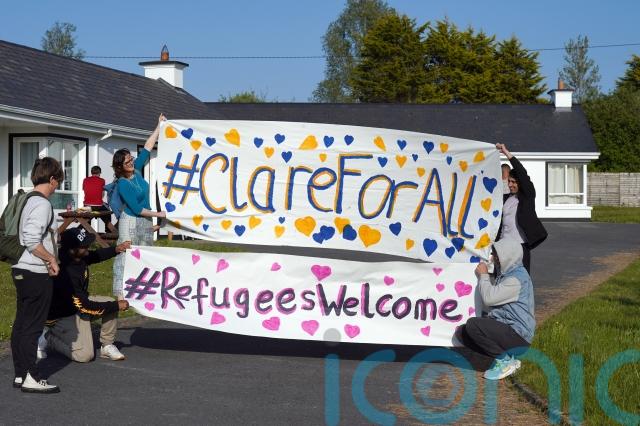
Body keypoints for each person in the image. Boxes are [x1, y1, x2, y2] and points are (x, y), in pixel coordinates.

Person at [11, 157, 63, 393]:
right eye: (58, 182)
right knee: (32, 327)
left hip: (20, 267)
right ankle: (32, 376)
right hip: (35, 271)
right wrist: (51, 259)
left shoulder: (25, 200)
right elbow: (32, 240)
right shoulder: (42, 204)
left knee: (21, 324)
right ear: (51, 179)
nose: (57, 187)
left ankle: (21, 374)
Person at [40, 228, 131, 362]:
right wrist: (116, 306)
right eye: (84, 245)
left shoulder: (77, 257)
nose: (88, 246)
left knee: (109, 302)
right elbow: (84, 306)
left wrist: (117, 249)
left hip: (76, 306)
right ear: (72, 249)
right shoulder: (65, 273)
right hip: (62, 316)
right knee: (84, 355)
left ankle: (107, 345)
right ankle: (48, 337)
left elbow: (96, 255)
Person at [457, 239, 535, 380]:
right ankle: (507, 358)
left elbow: (489, 298)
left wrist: (484, 275)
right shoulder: (508, 274)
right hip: (509, 329)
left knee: (473, 325)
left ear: (507, 256)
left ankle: (505, 362)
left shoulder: (516, 279)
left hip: (518, 336)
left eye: (496, 255)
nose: (493, 258)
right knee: (463, 332)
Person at [112, 114, 167, 298]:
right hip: (130, 221)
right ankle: (120, 294)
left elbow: (148, 147)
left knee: (145, 254)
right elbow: (137, 209)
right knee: (125, 255)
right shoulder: (122, 183)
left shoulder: (136, 171)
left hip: (144, 220)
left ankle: (141, 291)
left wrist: (159, 126)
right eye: (127, 162)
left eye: (131, 159)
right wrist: (158, 214)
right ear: (120, 167)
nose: (131, 162)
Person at [495, 143, 547, 273]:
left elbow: (522, 173)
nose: (510, 185)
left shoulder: (527, 196)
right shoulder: (506, 198)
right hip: (503, 246)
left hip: (520, 247)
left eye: (514, 182)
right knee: (501, 278)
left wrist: (506, 153)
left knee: (520, 280)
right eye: (509, 181)